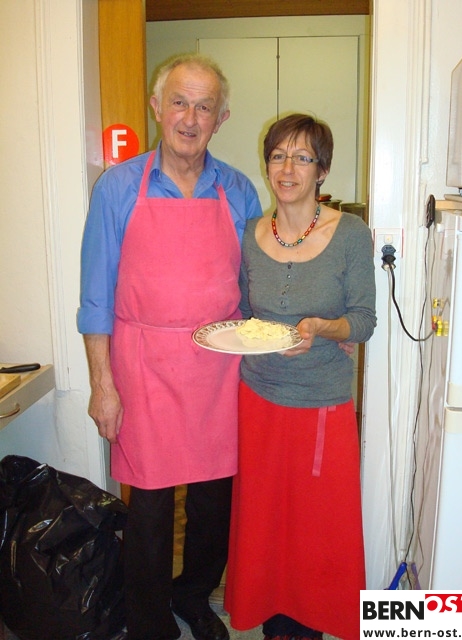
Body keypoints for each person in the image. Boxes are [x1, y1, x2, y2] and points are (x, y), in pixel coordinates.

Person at [77, 53, 262, 640]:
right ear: (157, 107)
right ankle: (150, 620)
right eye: (180, 102)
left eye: (204, 106)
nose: (190, 117)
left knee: (214, 501)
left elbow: (257, 289)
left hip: (220, 369)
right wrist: (103, 386)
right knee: (151, 507)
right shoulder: (117, 188)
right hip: (143, 366)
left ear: (221, 118)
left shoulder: (239, 191)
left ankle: (194, 597)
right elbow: (96, 297)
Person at [223, 114, 376, 640]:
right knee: (264, 521)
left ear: (322, 170)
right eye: (278, 156)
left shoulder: (350, 233)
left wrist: (323, 328)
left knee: (317, 526)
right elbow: (246, 313)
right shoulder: (250, 233)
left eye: (302, 158)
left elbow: (364, 320)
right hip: (258, 398)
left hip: (321, 403)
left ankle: (314, 621)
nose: (287, 168)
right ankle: (274, 619)